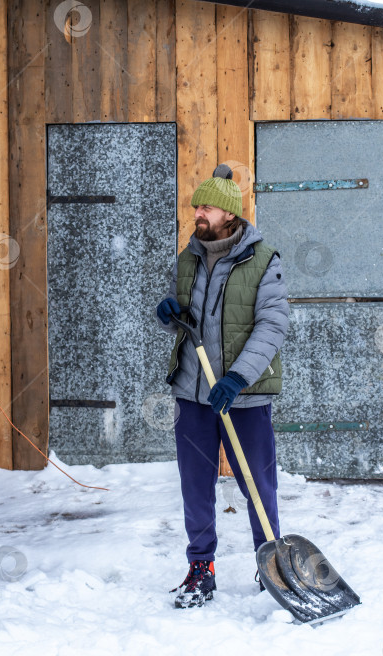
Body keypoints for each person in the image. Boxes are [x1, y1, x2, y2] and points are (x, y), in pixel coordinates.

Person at [156, 164, 289, 608]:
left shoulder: (264, 259)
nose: (198, 212)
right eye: (197, 205)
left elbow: (273, 325)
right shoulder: (189, 257)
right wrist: (169, 312)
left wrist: (236, 378)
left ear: (229, 214)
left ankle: (269, 563)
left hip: (243, 394)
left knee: (257, 483)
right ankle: (200, 568)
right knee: (195, 484)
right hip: (193, 392)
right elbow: (188, 323)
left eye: (207, 206)